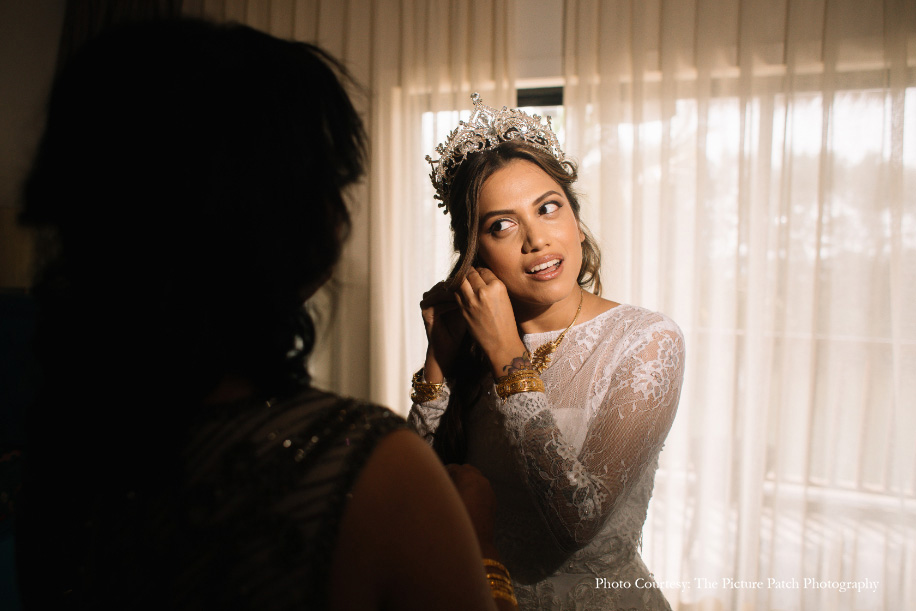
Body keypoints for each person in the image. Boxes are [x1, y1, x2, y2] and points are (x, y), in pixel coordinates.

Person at [15, 21, 518, 611]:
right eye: (331, 178)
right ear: (285, 215)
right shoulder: (364, 467)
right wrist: (481, 548)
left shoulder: (61, 442)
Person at [409, 94, 686, 610]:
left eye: (548, 207)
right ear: (474, 251)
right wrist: (439, 364)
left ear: (575, 222)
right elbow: (417, 499)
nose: (536, 238)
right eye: (502, 225)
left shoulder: (648, 341)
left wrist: (509, 362)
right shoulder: (472, 347)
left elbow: (576, 521)